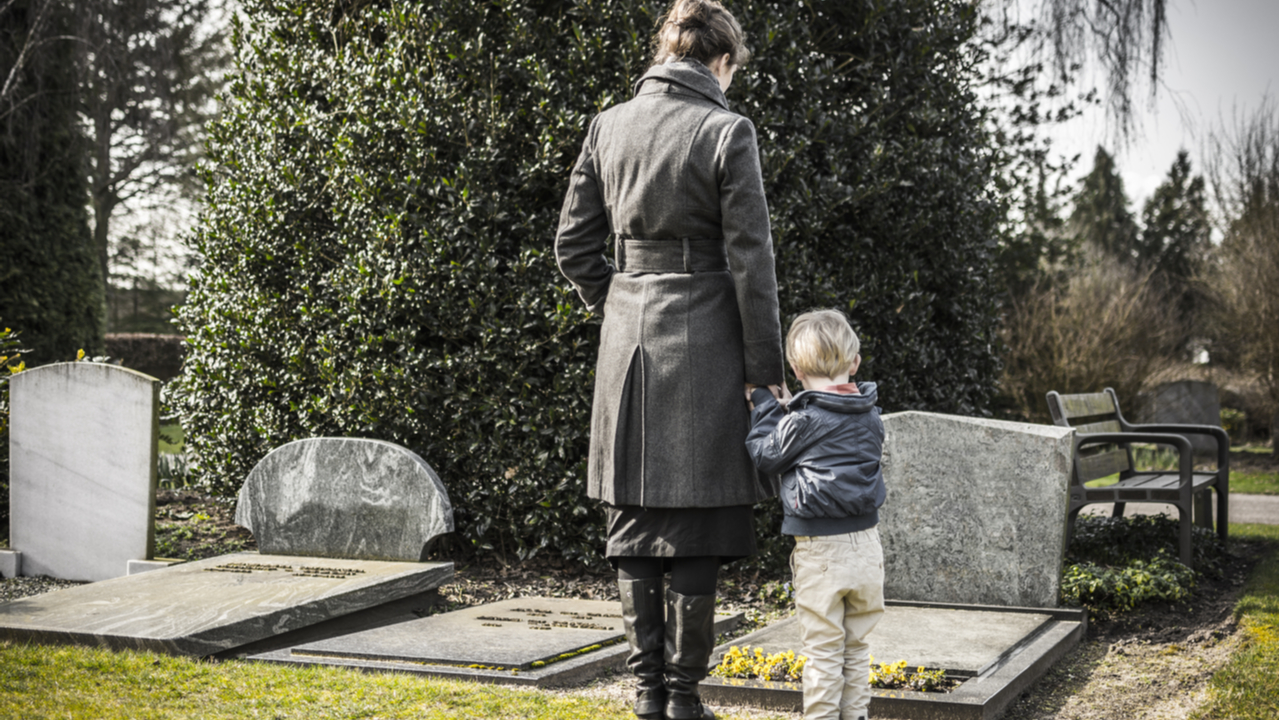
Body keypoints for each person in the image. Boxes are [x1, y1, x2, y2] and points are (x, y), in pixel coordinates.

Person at [553, 0, 785, 718]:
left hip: (627, 342)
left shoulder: (608, 124)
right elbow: (752, 262)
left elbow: (572, 246)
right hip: (708, 339)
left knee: (634, 516)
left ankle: (649, 697)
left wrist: (620, 301)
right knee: (698, 522)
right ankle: (683, 699)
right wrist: (765, 370)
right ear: (721, 61)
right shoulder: (726, 129)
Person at [744, 309, 887, 720]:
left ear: (795, 367)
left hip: (821, 552)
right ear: (855, 363)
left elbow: (766, 453)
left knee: (823, 651)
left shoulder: (803, 420)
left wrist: (766, 405)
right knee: (856, 648)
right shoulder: (871, 415)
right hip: (867, 548)